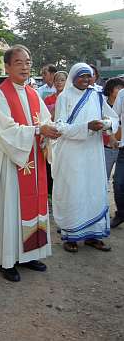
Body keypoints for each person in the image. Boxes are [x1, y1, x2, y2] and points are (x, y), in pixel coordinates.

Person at [0, 45, 60, 282]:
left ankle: (29, 254)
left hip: (33, 163)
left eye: (28, 62)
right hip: (10, 164)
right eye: (19, 62)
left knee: (32, 207)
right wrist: (38, 129)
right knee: (11, 208)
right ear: (7, 67)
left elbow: (45, 121)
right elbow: (5, 131)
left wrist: (49, 131)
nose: (25, 66)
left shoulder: (33, 94)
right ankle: (7, 261)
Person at [52, 63, 118, 252]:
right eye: (81, 76)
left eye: (88, 76)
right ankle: (71, 236)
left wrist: (104, 124)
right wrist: (85, 127)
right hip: (72, 154)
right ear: (73, 77)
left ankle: (93, 235)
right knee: (74, 192)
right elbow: (60, 126)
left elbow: (112, 118)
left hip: (93, 153)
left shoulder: (97, 95)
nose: (86, 79)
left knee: (94, 190)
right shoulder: (64, 97)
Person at [109, 77, 124, 228]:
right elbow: (113, 118)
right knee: (119, 183)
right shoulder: (122, 95)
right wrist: (112, 136)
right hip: (123, 149)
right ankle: (121, 213)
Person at [102, 78, 124, 181]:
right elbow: (109, 120)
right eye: (118, 87)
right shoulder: (103, 105)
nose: (120, 89)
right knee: (103, 178)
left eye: (122, 87)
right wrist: (111, 137)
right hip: (108, 147)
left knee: (119, 180)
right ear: (110, 89)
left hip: (121, 147)